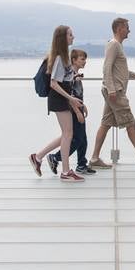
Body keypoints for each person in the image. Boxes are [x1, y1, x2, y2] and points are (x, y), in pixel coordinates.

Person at [89, 18, 135, 170]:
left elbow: (118, 70)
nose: (129, 30)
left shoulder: (118, 46)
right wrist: (111, 89)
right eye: (127, 27)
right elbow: (107, 68)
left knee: (106, 124)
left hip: (114, 91)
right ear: (119, 29)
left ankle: (94, 158)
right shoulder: (113, 45)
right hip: (115, 93)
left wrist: (132, 74)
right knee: (131, 123)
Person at [30, 26, 86, 182]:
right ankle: (65, 172)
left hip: (63, 98)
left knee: (67, 133)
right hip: (58, 98)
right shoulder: (59, 58)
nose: (73, 37)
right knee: (68, 133)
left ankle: (38, 157)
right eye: (70, 35)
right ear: (62, 38)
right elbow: (54, 83)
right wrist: (71, 99)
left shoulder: (64, 57)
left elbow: (66, 82)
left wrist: (73, 102)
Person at [49, 48, 95, 176]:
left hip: (78, 107)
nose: (85, 61)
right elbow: (69, 96)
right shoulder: (71, 75)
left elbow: (77, 94)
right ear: (74, 60)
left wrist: (83, 106)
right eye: (82, 59)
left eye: (85, 59)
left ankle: (81, 164)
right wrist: (77, 111)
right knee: (77, 139)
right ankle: (56, 157)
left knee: (83, 138)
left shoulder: (76, 74)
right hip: (73, 109)